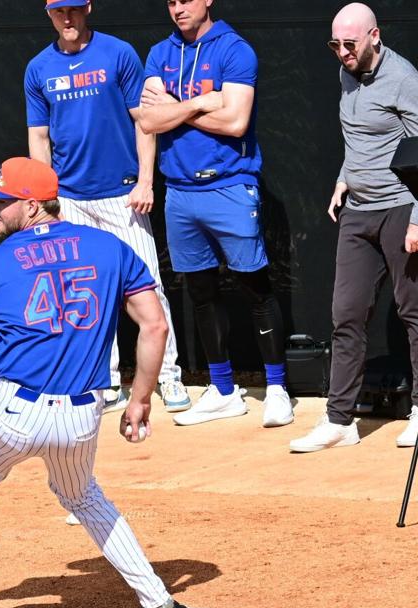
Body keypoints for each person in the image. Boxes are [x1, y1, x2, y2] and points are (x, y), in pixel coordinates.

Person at [0, 157, 195, 608]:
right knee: (84, 497)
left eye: (3, 201)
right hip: (82, 415)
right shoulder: (109, 248)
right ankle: (161, 603)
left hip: (15, 411)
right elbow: (155, 323)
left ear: (34, 205)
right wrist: (141, 397)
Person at [290, 3, 418, 452]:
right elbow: (359, 138)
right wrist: (344, 177)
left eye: (349, 44)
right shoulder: (347, 72)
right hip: (358, 211)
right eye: (334, 45)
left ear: (374, 36)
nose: (341, 53)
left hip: (400, 208)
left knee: (415, 309)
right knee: (347, 314)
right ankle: (340, 420)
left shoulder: (405, 80)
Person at [25, 0, 190, 414]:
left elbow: (145, 120)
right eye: (58, 11)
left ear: (87, 9)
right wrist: (47, 199)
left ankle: (167, 377)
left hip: (123, 194)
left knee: (147, 286)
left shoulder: (118, 53)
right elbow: (40, 139)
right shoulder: (38, 68)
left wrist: (146, 181)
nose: (67, 18)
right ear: (48, 15)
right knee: (84, 292)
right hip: (70, 200)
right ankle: (106, 380)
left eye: (73, 9)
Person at [137, 0, 293, 428]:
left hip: (230, 185)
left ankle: (278, 389)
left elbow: (237, 121)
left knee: (255, 287)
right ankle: (223, 390)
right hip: (180, 192)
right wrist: (203, 102)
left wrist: (176, 107)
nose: (177, 9)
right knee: (201, 292)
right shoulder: (160, 53)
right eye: (170, 2)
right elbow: (149, 120)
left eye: (185, 0)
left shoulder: (234, 49)